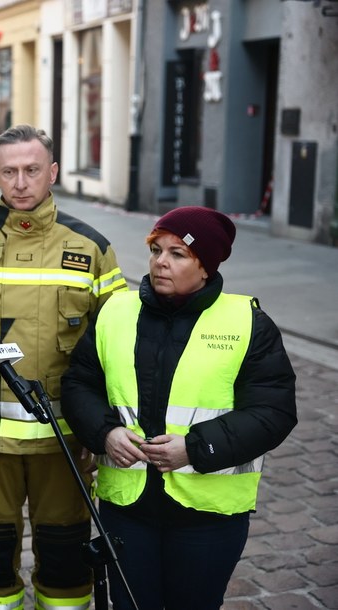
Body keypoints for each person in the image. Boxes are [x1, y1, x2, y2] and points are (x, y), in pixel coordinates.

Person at [61, 206, 297, 610]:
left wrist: (195, 447)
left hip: (208, 519)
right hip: (127, 510)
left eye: (178, 254)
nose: (160, 263)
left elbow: (272, 412)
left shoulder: (248, 324)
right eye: (156, 250)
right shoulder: (115, 312)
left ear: (206, 266)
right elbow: (79, 383)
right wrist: (105, 432)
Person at [0, 124, 127, 610]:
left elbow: (116, 347)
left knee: (66, 559)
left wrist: (101, 431)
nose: (21, 183)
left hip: (64, 440)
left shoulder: (92, 247)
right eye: (10, 172)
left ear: (52, 172)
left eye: (31, 170)